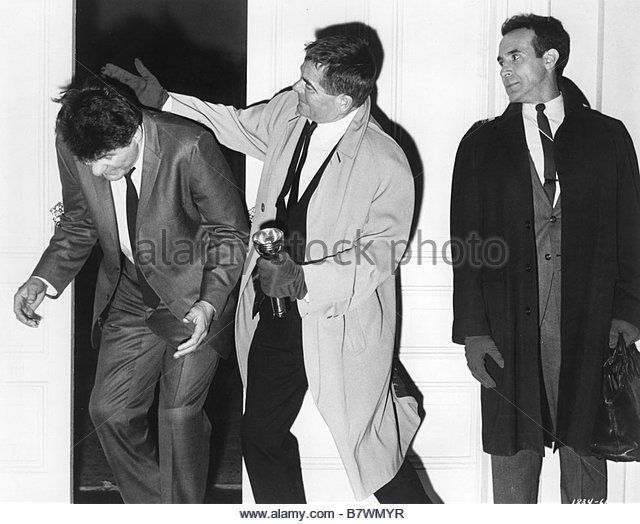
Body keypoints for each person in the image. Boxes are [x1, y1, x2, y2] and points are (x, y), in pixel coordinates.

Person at [104, 34, 432, 503]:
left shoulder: (384, 159)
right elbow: (232, 125)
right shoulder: (288, 114)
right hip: (273, 315)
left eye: (309, 86)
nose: (296, 89)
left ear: (343, 101)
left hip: (335, 320)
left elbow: (380, 254)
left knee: (376, 455)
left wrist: (303, 279)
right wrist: (166, 101)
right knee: (259, 438)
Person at [13, 84, 249, 503]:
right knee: (110, 411)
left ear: (134, 132)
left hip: (194, 291)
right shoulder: (76, 144)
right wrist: (43, 278)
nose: (96, 171)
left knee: (178, 416)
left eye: (107, 159)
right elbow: (80, 219)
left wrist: (209, 303)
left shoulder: (188, 145)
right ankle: (159, 510)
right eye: (90, 162)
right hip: (129, 290)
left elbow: (230, 232)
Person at [450, 14, 640, 503]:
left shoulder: (607, 136)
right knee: (514, 450)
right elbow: (466, 244)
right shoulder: (481, 144)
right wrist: (473, 330)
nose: (504, 69)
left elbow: (632, 231)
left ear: (550, 58)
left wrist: (627, 315)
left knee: (586, 446)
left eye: (515, 56)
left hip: (588, 320)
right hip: (509, 324)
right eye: (500, 60)